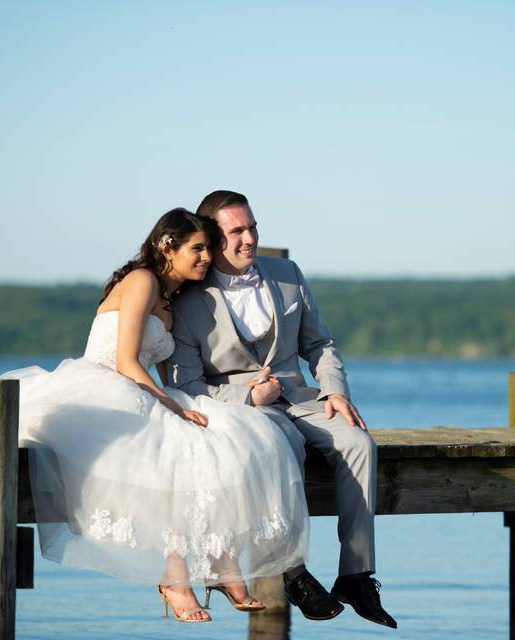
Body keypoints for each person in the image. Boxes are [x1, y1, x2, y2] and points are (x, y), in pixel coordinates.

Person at [0, 208, 309, 624]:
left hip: (139, 388)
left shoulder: (173, 296)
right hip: (104, 385)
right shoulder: (142, 281)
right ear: (166, 246)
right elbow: (126, 361)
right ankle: (176, 577)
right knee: (176, 447)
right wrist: (171, 406)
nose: (206, 257)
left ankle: (223, 562)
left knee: (230, 435)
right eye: (198, 248)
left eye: (208, 248)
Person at [168, 190, 397, 629]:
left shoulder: (286, 273)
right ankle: (293, 571)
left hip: (301, 396)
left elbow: (319, 343)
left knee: (359, 443)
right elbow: (185, 385)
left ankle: (357, 574)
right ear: (213, 237)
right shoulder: (186, 300)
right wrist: (247, 399)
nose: (249, 238)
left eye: (252, 227)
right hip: (243, 410)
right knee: (283, 445)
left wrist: (334, 390)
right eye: (237, 231)